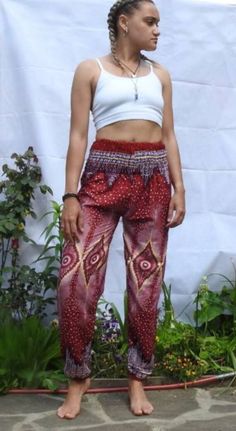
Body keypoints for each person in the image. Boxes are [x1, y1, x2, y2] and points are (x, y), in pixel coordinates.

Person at [56, 0, 185, 420]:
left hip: (152, 178)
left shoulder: (160, 75)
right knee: (75, 279)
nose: (157, 29)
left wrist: (179, 187)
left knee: (145, 286)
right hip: (102, 175)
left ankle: (136, 378)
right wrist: (70, 195)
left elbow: (168, 135)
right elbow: (78, 134)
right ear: (124, 23)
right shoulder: (90, 69)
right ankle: (78, 378)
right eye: (150, 21)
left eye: (158, 23)